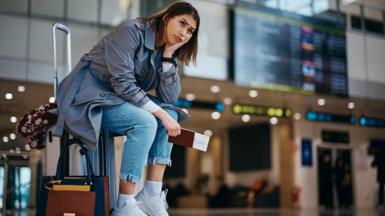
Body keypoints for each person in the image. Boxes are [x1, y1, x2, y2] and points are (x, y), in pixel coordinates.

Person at [54, 2, 200, 215]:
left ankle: (151, 192)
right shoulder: (131, 30)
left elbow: (169, 97)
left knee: (171, 112)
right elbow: (122, 82)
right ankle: (125, 203)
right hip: (88, 97)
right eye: (182, 23)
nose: (184, 33)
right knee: (147, 121)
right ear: (167, 16)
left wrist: (168, 56)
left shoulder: (164, 50)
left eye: (190, 31)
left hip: (117, 100)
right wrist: (158, 113)